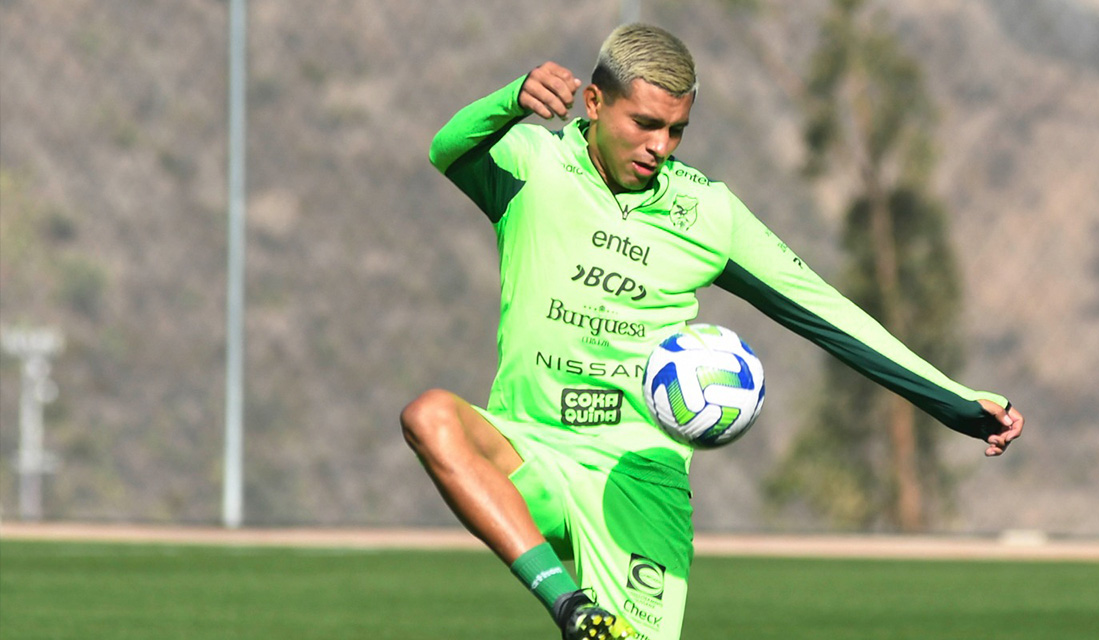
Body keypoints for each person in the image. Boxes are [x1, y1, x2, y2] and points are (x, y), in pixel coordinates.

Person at [402, 23, 1024, 640]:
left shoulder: (708, 213)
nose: (660, 146)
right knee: (431, 417)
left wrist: (953, 401)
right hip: (530, 450)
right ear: (593, 103)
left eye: (676, 130)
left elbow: (827, 311)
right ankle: (571, 609)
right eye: (644, 123)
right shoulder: (532, 165)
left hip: (639, 478)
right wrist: (512, 99)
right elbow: (447, 147)